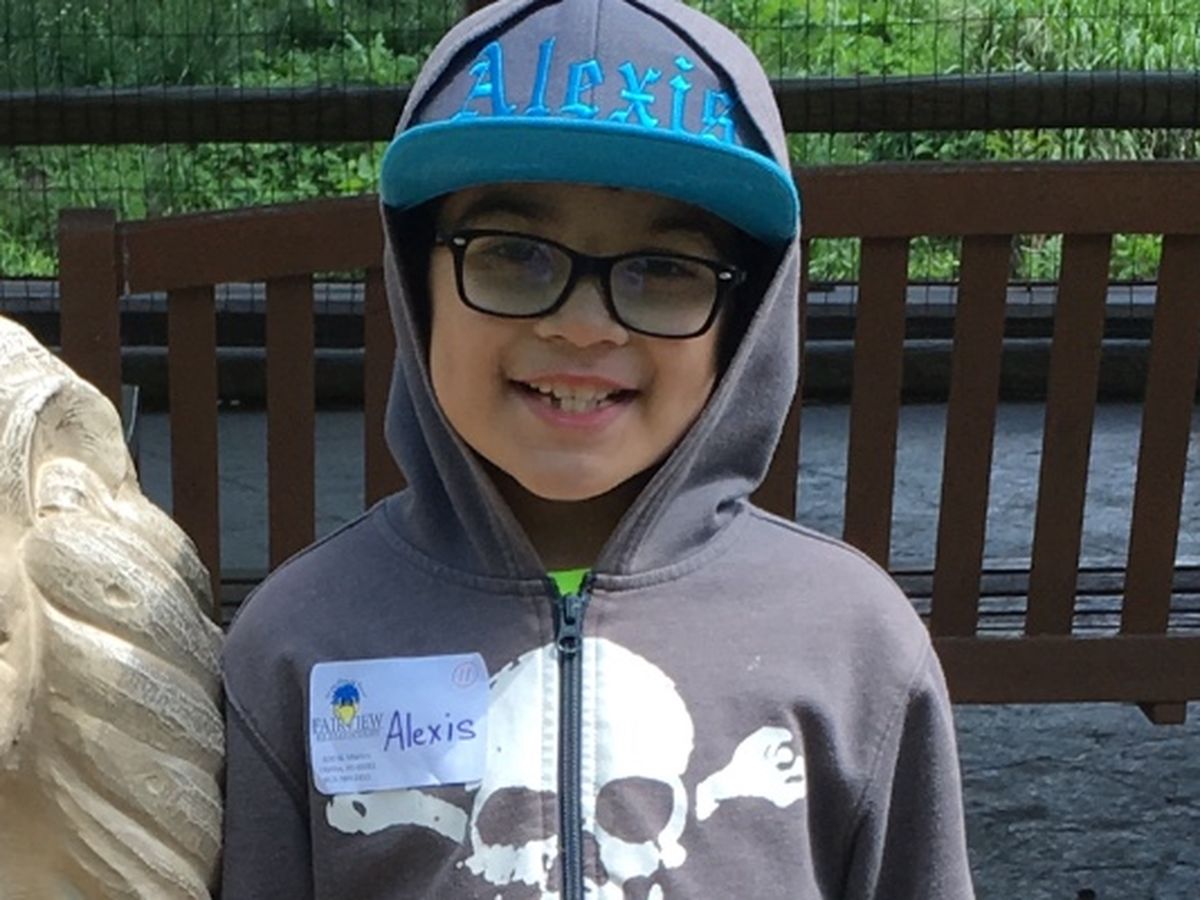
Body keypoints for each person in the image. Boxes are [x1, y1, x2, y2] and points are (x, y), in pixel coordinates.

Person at [221, 0, 975, 897]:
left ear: (744, 317)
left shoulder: (854, 643)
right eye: (512, 255)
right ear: (418, 284)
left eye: (664, 270)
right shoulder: (297, 643)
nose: (583, 327)